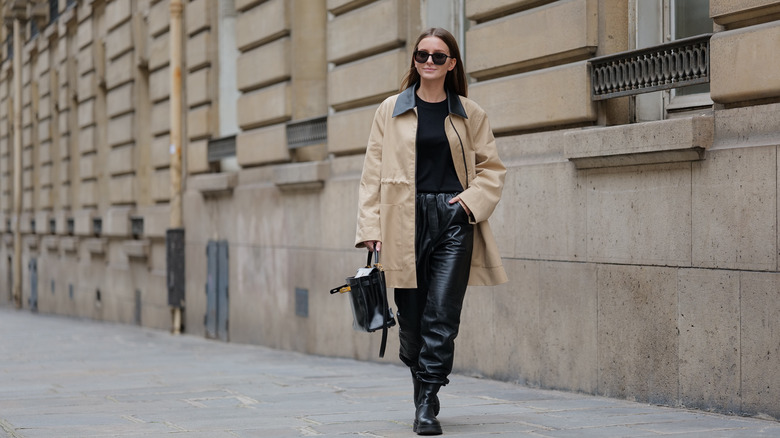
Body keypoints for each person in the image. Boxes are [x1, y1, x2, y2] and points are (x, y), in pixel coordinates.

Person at [354, 27, 507, 435]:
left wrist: (469, 203)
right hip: (402, 220)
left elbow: (492, 169)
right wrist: (370, 226)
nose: (429, 62)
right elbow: (371, 175)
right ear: (415, 60)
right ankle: (421, 378)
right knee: (412, 320)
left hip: (453, 219)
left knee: (443, 314)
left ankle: (427, 402)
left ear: (451, 63)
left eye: (439, 56)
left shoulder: (469, 113)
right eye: (423, 54)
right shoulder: (390, 110)